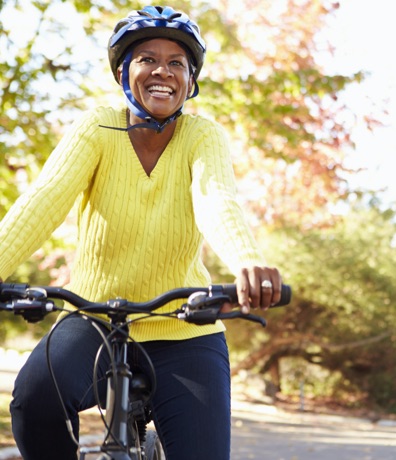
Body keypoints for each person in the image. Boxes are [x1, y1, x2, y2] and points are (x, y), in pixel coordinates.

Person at [0, 6, 282, 459]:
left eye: (177, 64)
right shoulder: (97, 128)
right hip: (91, 318)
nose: (162, 72)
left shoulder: (202, 136)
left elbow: (216, 200)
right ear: (121, 72)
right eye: (147, 59)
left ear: (191, 82)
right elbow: (42, 201)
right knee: (34, 402)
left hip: (185, 327)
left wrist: (246, 259)